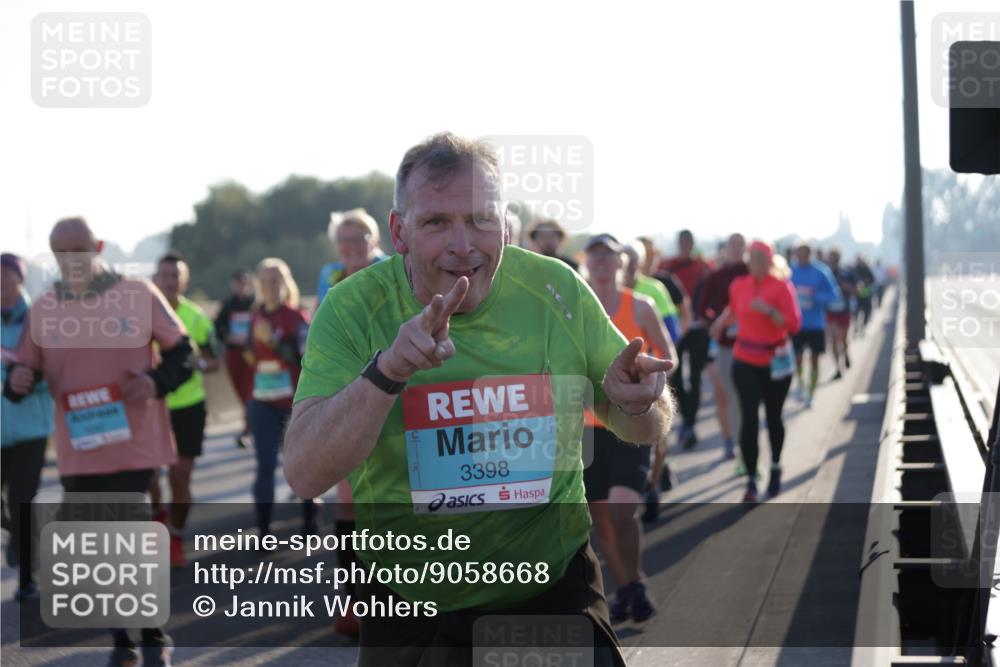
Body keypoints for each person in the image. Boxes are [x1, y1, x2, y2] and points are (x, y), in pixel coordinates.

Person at [284, 133, 674, 667]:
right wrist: (388, 372)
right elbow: (305, 474)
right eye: (436, 222)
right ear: (399, 231)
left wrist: (639, 403)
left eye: (481, 219)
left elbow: (645, 426)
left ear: (507, 224)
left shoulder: (555, 290)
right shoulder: (353, 308)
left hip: (548, 589)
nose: (463, 244)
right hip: (410, 601)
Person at [3, 217, 192, 667]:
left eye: (79, 249)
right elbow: (19, 379)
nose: (72, 260)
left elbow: (184, 354)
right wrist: (15, 379)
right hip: (78, 448)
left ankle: (150, 635)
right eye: (62, 252)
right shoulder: (44, 309)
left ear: (99, 246)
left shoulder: (138, 294)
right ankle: (122, 639)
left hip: (134, 440)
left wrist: (154, 380)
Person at [583, 233, 676, 620]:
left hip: (631, 422)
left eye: (610, 256)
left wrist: (652, 386)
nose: (603, 262)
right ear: (587, 261)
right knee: (598, 520)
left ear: (622, 262)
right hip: (585, 428)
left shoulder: (640, 306)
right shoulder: (574, 305)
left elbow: (669, 356)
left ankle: (633, 582)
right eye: (596, 256)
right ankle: (627, 587)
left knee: (622, 512)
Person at [314, 208, 385, 637]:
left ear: (375, 239)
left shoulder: (392, 271)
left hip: (393, 392)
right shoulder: (330, 276)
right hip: (345, 395)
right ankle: (356, 601)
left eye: (360, 237)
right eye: (344, 238)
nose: (352, 245)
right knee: (348, 501)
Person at [710, 241, 801, 503]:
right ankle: (751, 478)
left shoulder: (781, 286)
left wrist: (770, 311)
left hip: (775, 361)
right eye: (753, 257)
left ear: (770, 261)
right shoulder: (739, 285)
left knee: (774, 417)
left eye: (762, 258)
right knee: (749, 419)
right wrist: (720, 323)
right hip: (745, 359)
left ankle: (775, 466)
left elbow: (794, 325)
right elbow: (734, 310)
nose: (757, 262)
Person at [151, 253, 220, 567]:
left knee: (180, 477)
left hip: (189, 405)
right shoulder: (140, 316)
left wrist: (198, 363)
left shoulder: (197, 317)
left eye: (175, 275)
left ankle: (176, 536)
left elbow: (214, 362)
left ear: (185, 280)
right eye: (164, 275)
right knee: (150, 478)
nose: (169, 281)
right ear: (156, 279)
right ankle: (158, 518)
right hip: (152, 407)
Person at [245, 258, 315, 538]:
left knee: (304, 465)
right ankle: (263, 531)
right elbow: (250, 355)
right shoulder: (254, 316)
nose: (270, 286)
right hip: (261, 402)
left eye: (275, 280)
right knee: (265, 465)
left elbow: (305, 358)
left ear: (286, 284)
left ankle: (309, 523)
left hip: (294, 403)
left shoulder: (297, 318)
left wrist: (275, 343)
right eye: (264, 281)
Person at [1, 253, 53, 601]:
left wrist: (29, 378)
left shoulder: (41, 320)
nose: (2, 282)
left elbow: (57, 369)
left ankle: (27, 581)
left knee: (23, 500)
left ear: (20, 279)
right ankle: (16, 535)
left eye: (7, 275)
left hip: (31, 429)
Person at [622, 241, 679, 517]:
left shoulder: (653, 291)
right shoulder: (600, 291)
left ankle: (654, 485)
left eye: (635, 261)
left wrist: (655, 373)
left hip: (651, 379)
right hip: (617, 386)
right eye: (626, 260)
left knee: (658, 441)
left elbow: (671, 339)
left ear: (643, 263)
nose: (630, 266)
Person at [695, 233, 749, 460]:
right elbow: (702, 309)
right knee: (723, 393)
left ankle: (744, 438)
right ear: (725, 248)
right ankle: (728, 439)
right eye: (733, 245)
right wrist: (715, 322)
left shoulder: (751, 273)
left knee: (743, 395)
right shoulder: (715, 276)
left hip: (749, 345)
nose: (737, 249)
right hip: (720, 344)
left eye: (741, 245)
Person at [662, 230, 713, 450]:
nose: (685, 245)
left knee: (695, 376)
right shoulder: (667, 266)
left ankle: (690, 424)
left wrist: (707, 318)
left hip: (698, 328)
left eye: (688, 242)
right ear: (678, 243)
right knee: (677, 379)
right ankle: (685, 419)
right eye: (681, 242)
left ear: (692, 243)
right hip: (676, 329)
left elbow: (714, 293)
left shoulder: (703, 266)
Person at [789, 241, 840, 408]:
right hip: (797, 324)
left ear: (809, 253)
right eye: (797, 253)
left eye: (802, 253)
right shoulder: (791, 271)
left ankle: (811, 393)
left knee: (814, 359)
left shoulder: (821, 271)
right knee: (797, 358)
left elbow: (833, 294)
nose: (799, 256)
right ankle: (801, 385)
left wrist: (814, 296)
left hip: (816, 324)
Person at [215, 269, 255, 449]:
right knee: (240, 390)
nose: (242, 286)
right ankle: (250, 423)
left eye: (245, 282)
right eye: (238, 283)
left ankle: (247, 429)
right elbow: (218, 329)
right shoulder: (227, 304)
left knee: (249, 391)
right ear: (233, 284)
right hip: (233, 355)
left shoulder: (255, 304)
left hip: (251, 354)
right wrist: (229, 337)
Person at [316, 208, 385, 305]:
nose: (352, 246)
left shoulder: (389, 270)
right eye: (345, 240)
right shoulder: (329, 273)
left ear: (375, 242)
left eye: (359, 239)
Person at [824, 248, 857, 380]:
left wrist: (847, 287)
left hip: (844, 310)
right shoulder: (825, 273)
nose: (833, 259)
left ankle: (846, 353)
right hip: (830, 312)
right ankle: (838, 368)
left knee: (842, 339)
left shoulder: (847, 272)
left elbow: (856, 290)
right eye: (831, 257)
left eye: (835, 257)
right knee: (833, 340)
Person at [853, 255, 875, 336]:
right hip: (857, 295)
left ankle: (863, 327)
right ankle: (856, 327)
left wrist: (866, 282)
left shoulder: (867, 269)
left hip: (866, 295)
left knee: (866, 311)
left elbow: (873, 280)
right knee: (856, 312)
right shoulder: (854, 270)